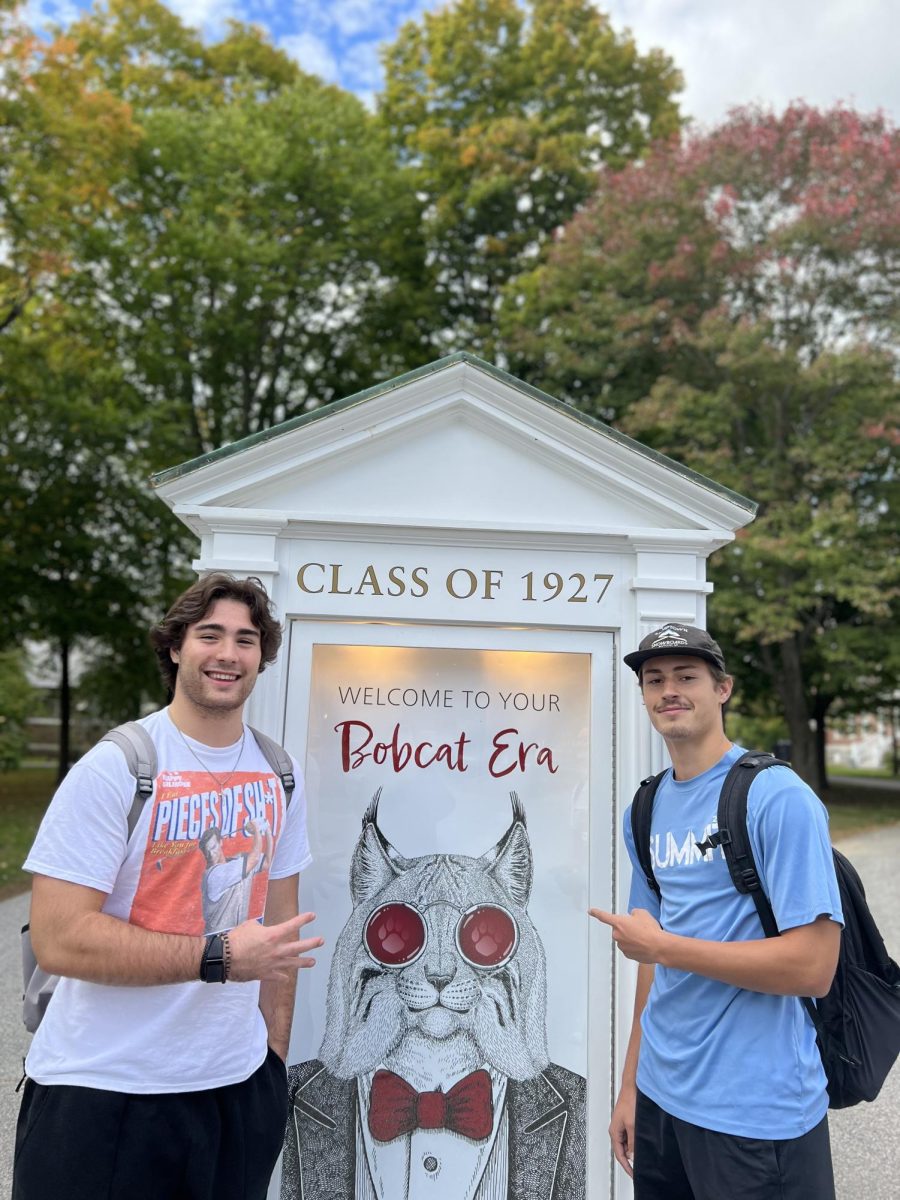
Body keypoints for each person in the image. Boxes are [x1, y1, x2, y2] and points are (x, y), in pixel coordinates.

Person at [13, 572, 324, 1200]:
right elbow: (59, 939)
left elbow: (280, 937)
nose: (228, 654)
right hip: (101, 1092)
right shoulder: (117, 766)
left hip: (234, 1092)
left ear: (261, 656)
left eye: (245, 638)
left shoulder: (278, 775)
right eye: (209, 634)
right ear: (176, 647)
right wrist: (217, 958)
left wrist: (272, 1062)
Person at [589, 623, 843, 1200]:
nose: (668, 691)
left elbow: (813, 966)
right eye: (655, 680)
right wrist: (630, 1086)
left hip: (756, 1111)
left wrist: (664, 947)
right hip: (662, 1099)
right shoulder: (647, 806)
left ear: (722, 689)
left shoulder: (777, 798)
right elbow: (650, 965)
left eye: (686, 676)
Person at [200, 818, 272, 933]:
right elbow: (254, 859)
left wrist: (267, 830)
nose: (211, 854)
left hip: (240, 938)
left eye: (213, 847)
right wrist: (256, 829)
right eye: (207, 851)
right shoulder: (214, 875)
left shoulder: (237, 862)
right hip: (217, 942)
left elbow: (267, 863)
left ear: (221, 842)